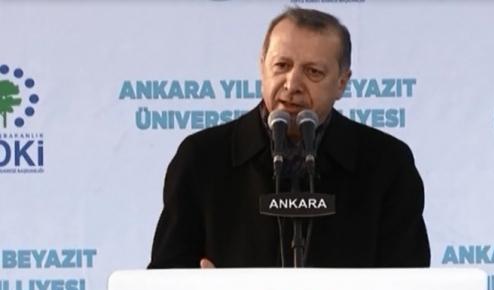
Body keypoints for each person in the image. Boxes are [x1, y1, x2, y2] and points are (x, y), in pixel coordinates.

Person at [147, 7, 431, 269]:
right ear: (262, 67)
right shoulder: (202, 157)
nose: (292, 84)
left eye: (313, 72)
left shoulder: (387, 163)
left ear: (342, 83)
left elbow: (410, 283)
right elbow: (164, 278)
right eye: (281, 65)